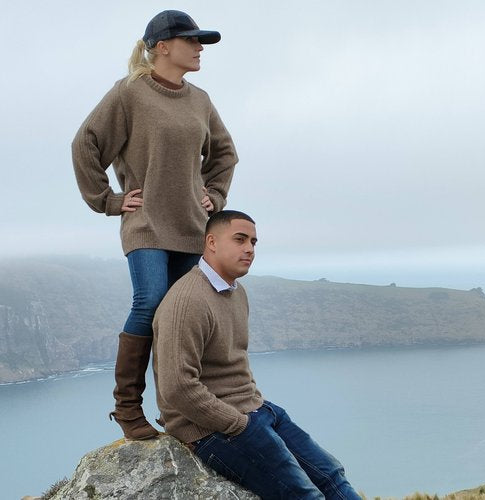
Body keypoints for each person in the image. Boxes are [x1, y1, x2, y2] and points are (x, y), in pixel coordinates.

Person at [71, 10, 238, 440]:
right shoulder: (129, 93)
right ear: (163, 46)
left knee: (177, 317)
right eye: (193, 40)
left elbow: (224, 154)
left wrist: (215, 196)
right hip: (145, 222)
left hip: (191, 226)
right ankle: (127, 408)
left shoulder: (199, 99)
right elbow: (85, 143)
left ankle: (177, 413)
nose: (200, 48)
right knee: (150, 302)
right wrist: (107, 200)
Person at [153, 211, 362, 499]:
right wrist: (237, 424)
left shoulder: (237, 293)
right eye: (239, 239)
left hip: (255, 409)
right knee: (304, 495)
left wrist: (254, 410)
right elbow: (177, 387)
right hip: (211, 428)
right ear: (211, 242)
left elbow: (233, 363)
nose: (249, 249)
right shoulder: (187, 300)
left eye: (253, 241)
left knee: (331, 476)